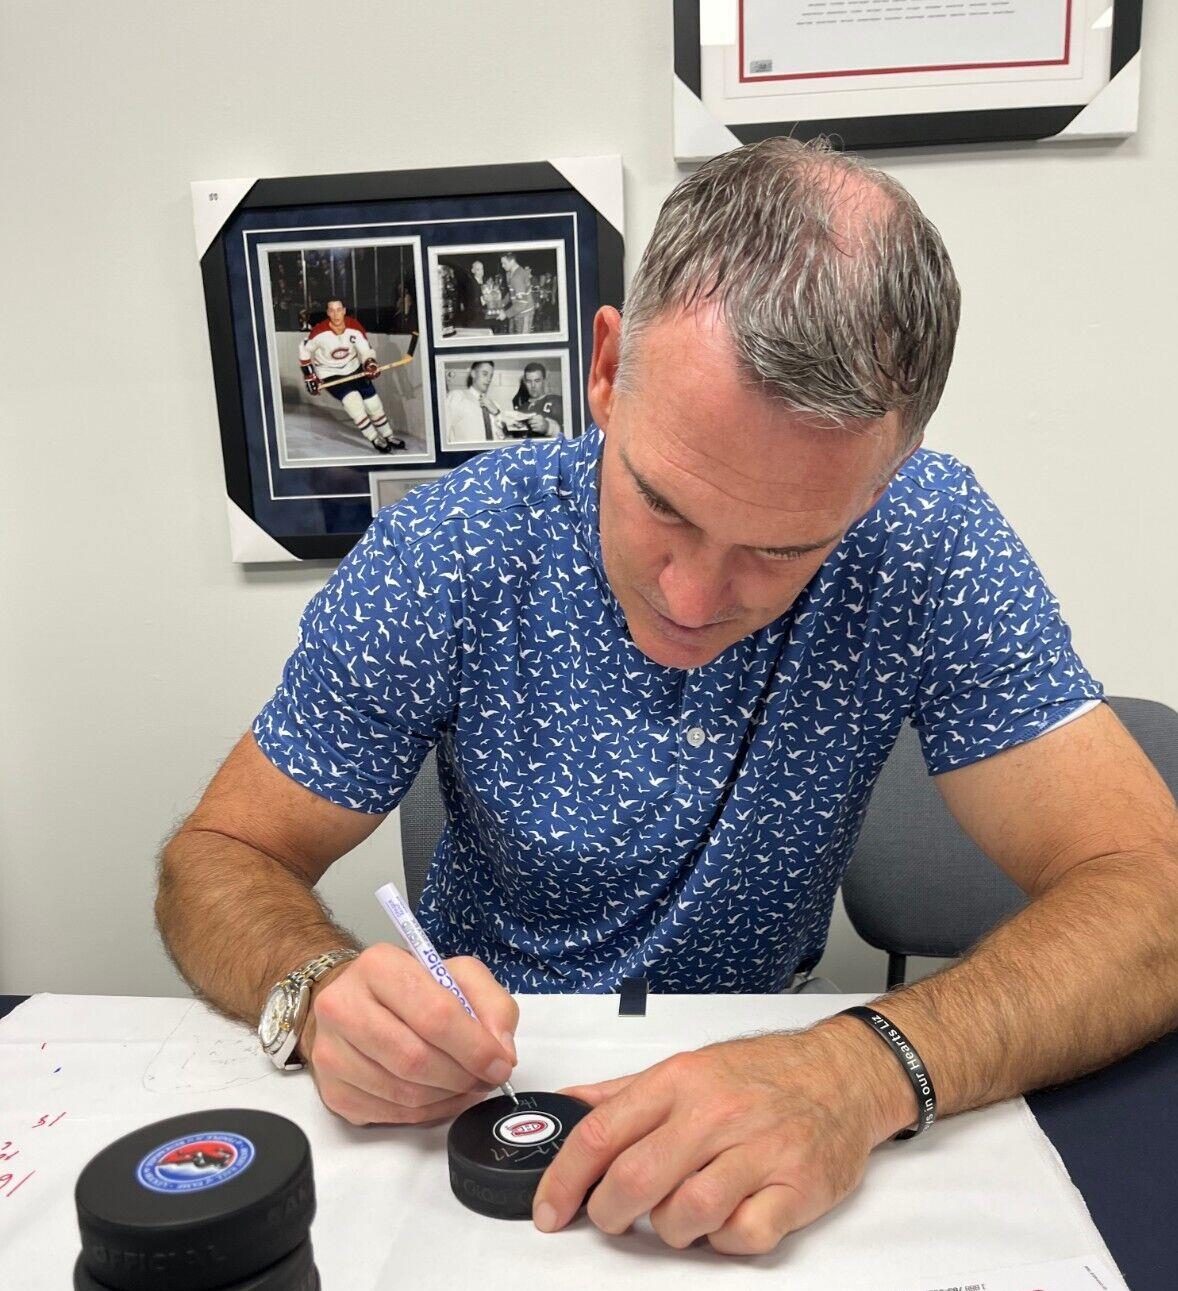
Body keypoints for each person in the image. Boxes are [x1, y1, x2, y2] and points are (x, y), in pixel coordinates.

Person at [157, 138, 1178, 1258]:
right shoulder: (454, 545)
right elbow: (219, 854)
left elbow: (1155, 899)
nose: (691, 599)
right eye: (662, 503)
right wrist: (314, 986)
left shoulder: (924, 538)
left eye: (782, 549)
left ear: (886, 471)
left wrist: (862, 1066)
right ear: (606, 369)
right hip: (475, 1087)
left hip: (770, 1072)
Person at [298, 299, 405, 453]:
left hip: (355, 369)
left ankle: (389, 436)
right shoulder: (319, 332)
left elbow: (365, 350)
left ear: (344, 311)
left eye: (339, 310)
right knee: (353, 403)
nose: (336, 314)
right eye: (332, 310)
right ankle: (375, 438)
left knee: (373, 404)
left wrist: (370, 363)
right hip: (330, 374)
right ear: (328, 313)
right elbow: (304, 350)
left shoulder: (354, 327)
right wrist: (309, 376)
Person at [443, 359, 506, 442]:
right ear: (473, 373)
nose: (489, 379)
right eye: (485, 374)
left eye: (491, 376)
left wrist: (497, 413)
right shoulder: (456, 396)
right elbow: (443, 432)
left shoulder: (495, 405)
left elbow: (502, 438)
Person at [508, 361, 563, 437]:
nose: (533, 385)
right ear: (525, 382)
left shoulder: (557, 401)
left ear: (544, 381)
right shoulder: (520, 409)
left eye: (537, 381)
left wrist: (549, 428)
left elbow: (571, 432)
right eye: (529, 381)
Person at [493, 251, 535, 334]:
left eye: (504, 263)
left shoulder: (517, 277)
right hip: (519, 311)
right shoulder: (511, 273)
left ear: (512, 261)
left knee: (523, 339)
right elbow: (512, 292)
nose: (502, 266)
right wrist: (502, 303)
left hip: (524, 313)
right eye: (502, 263)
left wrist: (505, 314)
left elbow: (522, 303)